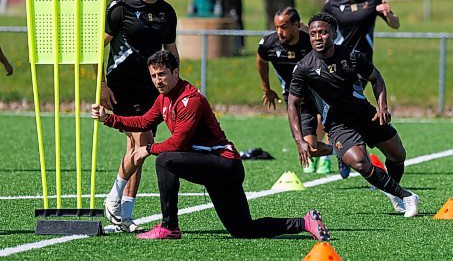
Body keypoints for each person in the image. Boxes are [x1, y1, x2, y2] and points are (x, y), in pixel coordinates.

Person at [91, 50, 330, 241]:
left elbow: (177, 143)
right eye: (153, 76)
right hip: (214, 168)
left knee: (165, 160)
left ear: (175, 72)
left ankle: (169, 227)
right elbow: (144, 121)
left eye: (162, 74)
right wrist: (108, 118)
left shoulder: (190, 100)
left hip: (224, 164)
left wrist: (148, 149)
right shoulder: (164, 98)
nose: (158, 81)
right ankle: (304, 222)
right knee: (242, 229)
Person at [287, 13, 419, 217]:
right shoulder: (304, 68)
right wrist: (299, 140)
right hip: (338, 125)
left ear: (333, 33)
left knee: (398, 155)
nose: (317, 37)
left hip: (366, 114)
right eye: (313, 34)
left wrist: (382, 106)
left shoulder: (351, 56)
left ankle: (393, 191)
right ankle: (407, 196)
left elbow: (376, 78)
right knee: (359, 162)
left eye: (322, 32)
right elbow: (292, 104)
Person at [99, 0, 179, 233]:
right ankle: (112, 199)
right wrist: (101, 86)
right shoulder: (121, 7)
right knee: (142, 143)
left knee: (138, 149)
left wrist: (176, 86)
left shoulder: (167, 13)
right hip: (122, 85)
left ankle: (126, 214)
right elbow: (98, 48)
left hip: (152, 87)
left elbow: (171, 51)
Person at [321, 0, 400, 178]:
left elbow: (395, 24)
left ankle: (346, 150)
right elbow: (319, 26)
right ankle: (344, 151)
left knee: (348, 106)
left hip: (361, 65)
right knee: (340, 107)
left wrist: (389, 13)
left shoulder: (372, 0)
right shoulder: (332, 4)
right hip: (337, 65)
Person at [257, 6, 332, 174]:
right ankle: (337, 152)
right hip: (296, 100)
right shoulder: (268, 44)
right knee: (309, 148)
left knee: (330, 124)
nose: (279, 32)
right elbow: (261, 60)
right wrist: (266, 88)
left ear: (296, 25)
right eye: (276, 27)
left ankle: (343, 151)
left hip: (321, 94)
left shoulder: (312, 43)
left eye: (283, 27)